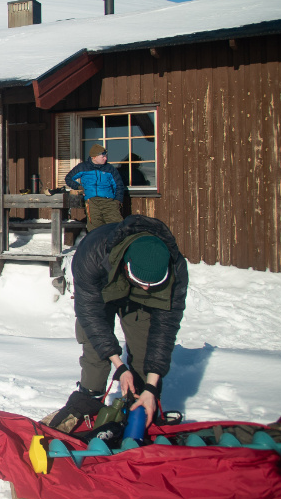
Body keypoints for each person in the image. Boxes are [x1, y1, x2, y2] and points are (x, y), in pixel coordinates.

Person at [46, 215, 189, 433]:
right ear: (127, 266)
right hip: (102, 286)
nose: (148, 289)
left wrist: (151, 386)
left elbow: (164, 331)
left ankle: (141, 405)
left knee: (144, 346)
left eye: (154, 284)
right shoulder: (92, 254)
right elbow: (91, 317)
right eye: (143, 283)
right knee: (95, 348)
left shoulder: (176, 268)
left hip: (136, 302)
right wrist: (119, 366)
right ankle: (88, 402)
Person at [65, 144, 126, 232]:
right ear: (94, 157)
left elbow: (119, 186)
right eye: (103, 156)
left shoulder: (110, 169)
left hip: (109, 202)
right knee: (95, 229)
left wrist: (117, 201)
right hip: (92, 202)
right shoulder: (83, 167)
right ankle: (98, 245)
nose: (105, 158)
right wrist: (79, 187)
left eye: (105, 156)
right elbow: (69, 178)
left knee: (117, 227)